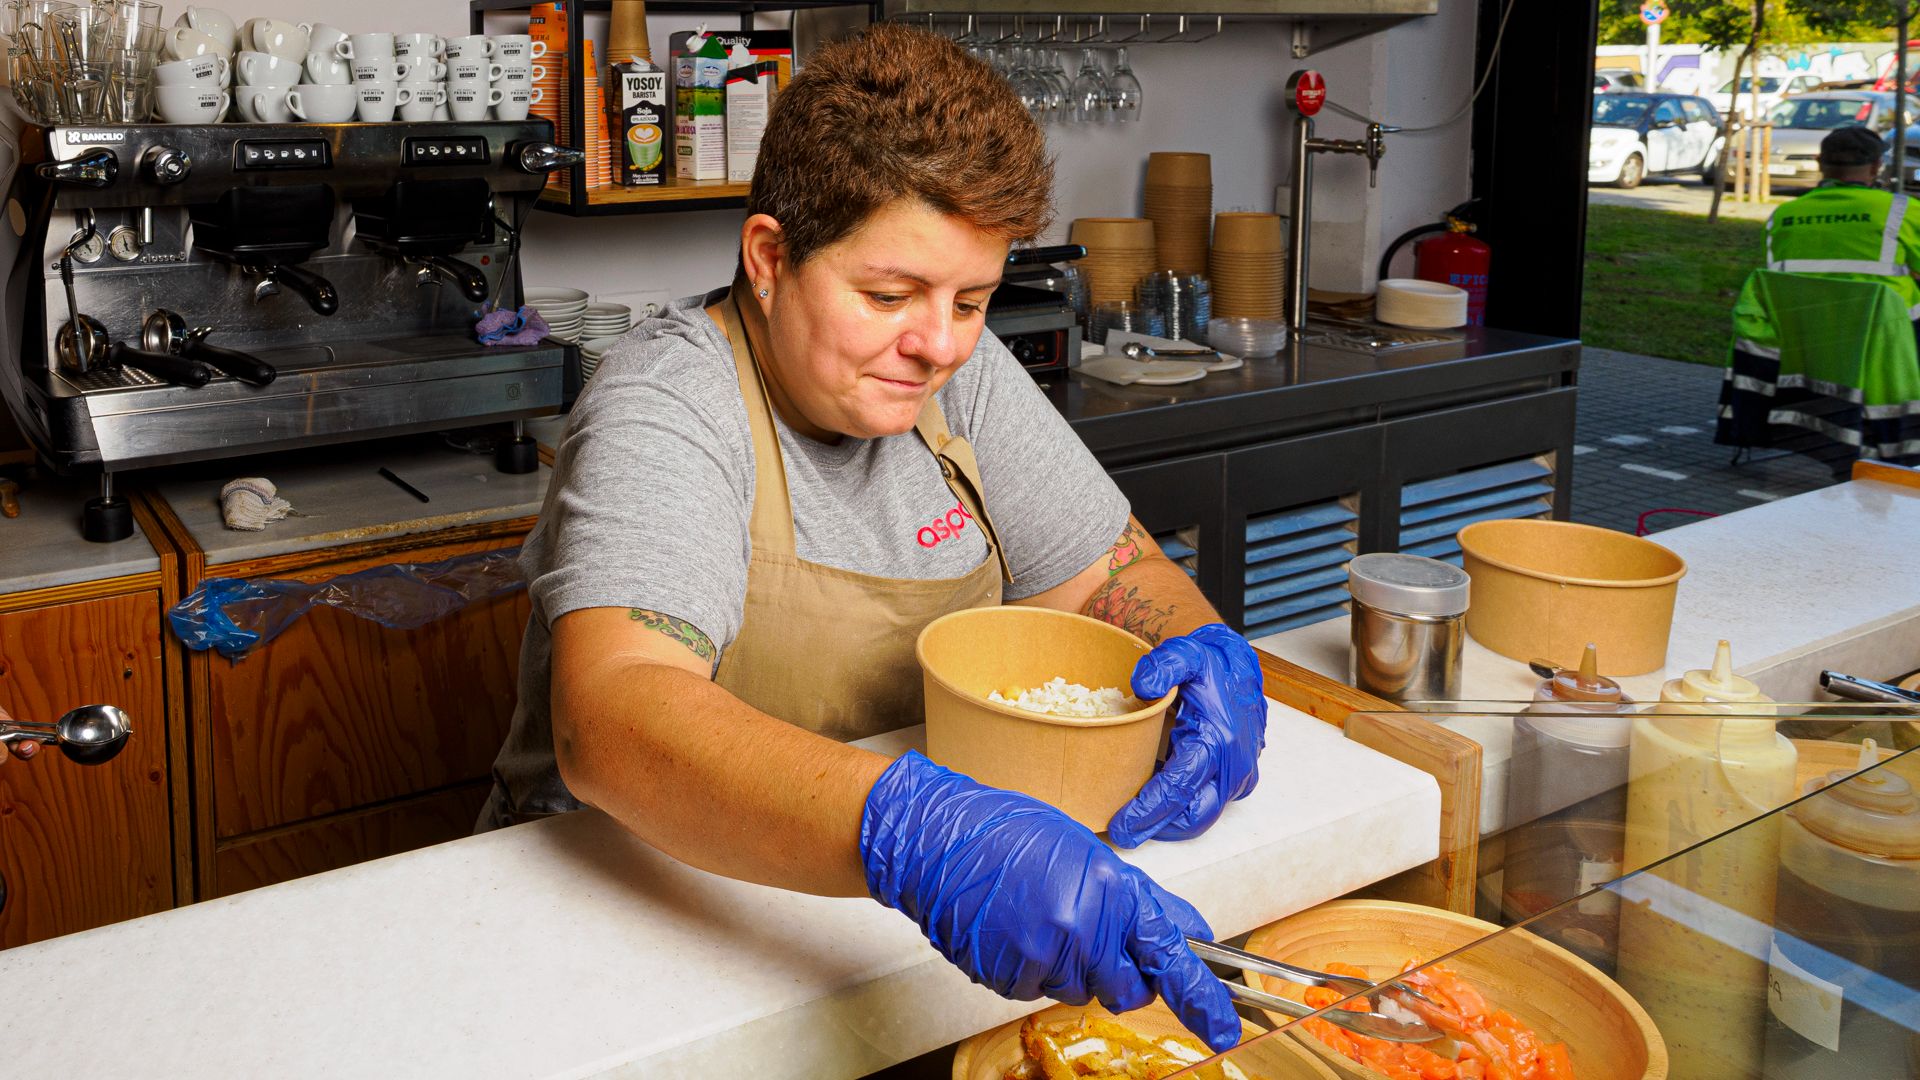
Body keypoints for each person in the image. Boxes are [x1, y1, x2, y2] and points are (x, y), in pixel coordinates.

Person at [481, 25, 1266, 1051]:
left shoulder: (963, 379)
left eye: (972, 300)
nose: (937, 344)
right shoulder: (669, 399)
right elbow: (616, 718)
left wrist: (1203, 646)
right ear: (769, 259)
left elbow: (1116, 573)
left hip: (863, 931)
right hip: (624, 925)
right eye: (888, 296)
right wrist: (916, 837)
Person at [1763, 126, 1920, 320]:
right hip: (1887, 329)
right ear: (1875, 166)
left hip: (1806, 327)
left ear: (1819, 163)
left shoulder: (1782, 215)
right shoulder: (1903, 210)